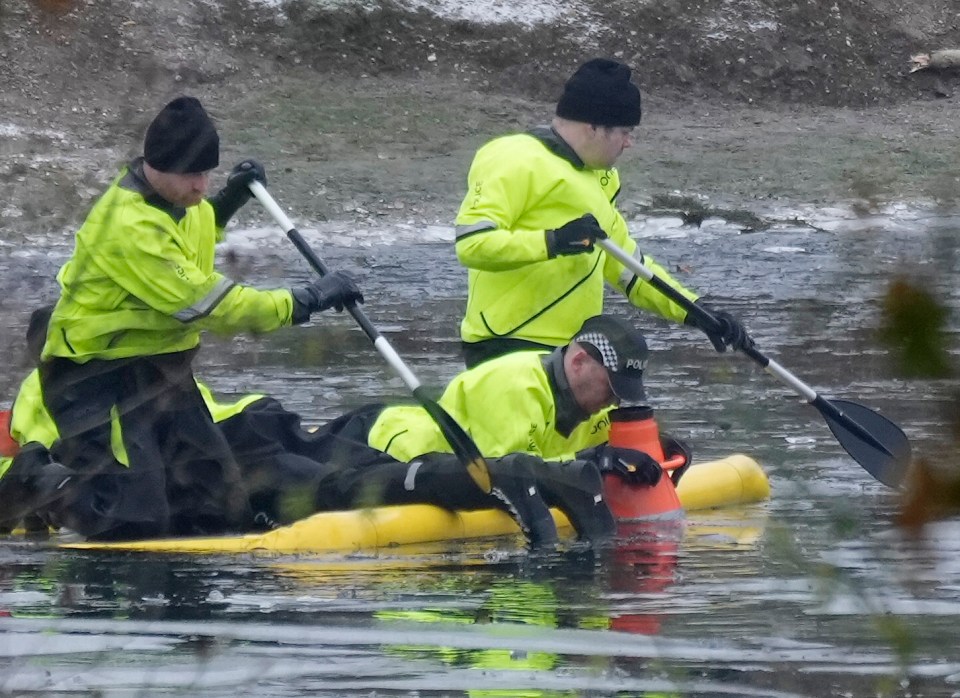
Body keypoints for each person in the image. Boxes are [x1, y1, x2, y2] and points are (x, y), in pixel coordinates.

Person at [26, 96, 364, 541]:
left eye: (208, 175)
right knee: (130, 519)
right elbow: (214, 306)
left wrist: (231, 200)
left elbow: (196, 234)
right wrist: (306, 301)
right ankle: (33, 482)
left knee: (215, 504)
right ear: (156, 166)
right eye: (192, 175)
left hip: (164, 371)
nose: (201, 186)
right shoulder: (130, 226)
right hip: (96, 378)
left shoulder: (187, 203)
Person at [453, 57, 753, 368]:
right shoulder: (516, 159)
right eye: (624, 131)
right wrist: (553, 241)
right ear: (594, 126)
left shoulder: (600, 179)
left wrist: (697, 313)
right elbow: (472, 245)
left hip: (572, 353)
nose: (629, 143)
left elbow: (629, 269)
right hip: (505, 347)